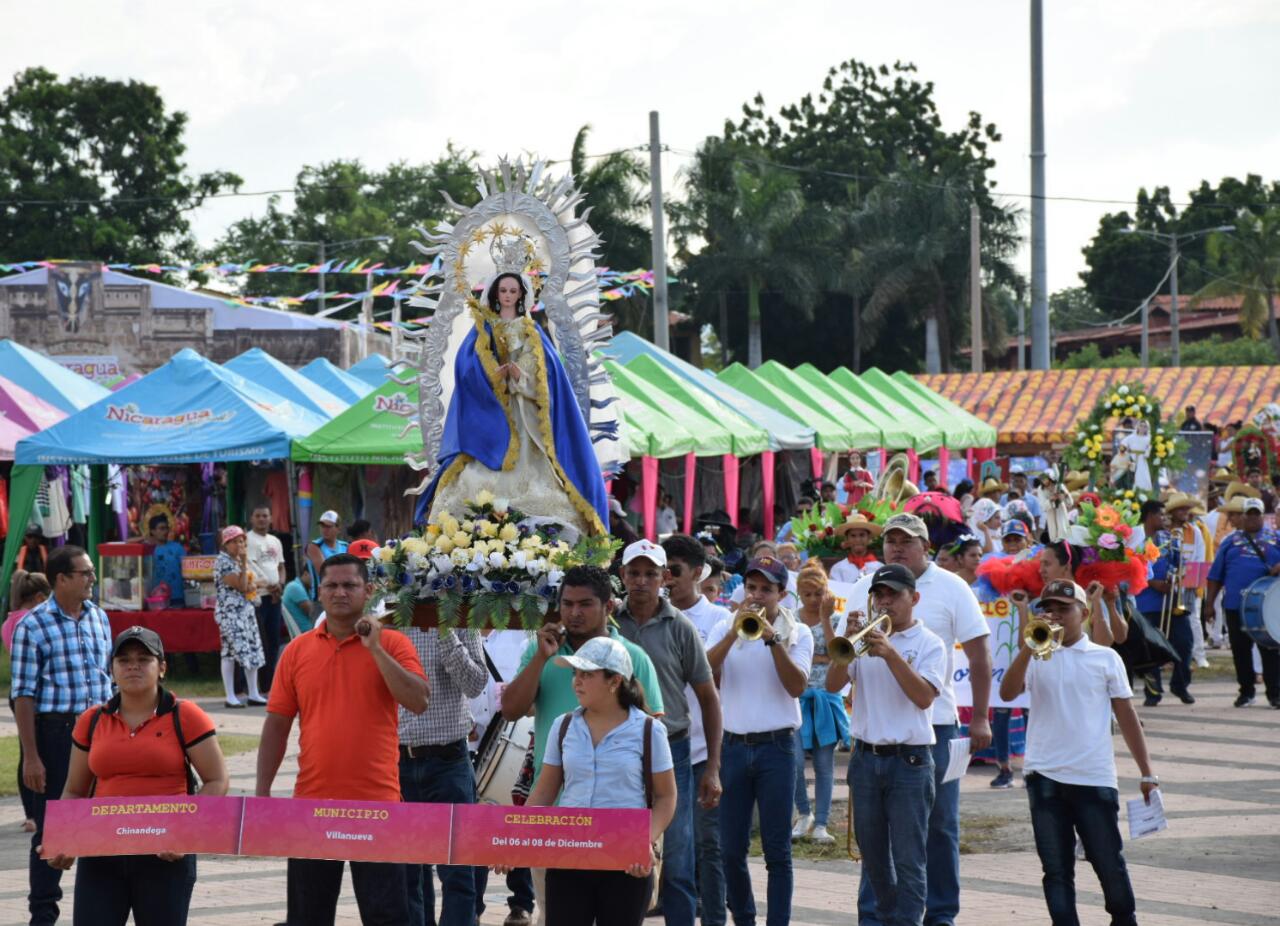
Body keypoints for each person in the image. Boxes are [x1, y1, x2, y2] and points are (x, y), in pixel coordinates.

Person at [257, 552, 429, 925]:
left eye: (349, 585)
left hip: (378, 806)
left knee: (387, 916)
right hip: (312, 807)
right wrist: (262, 792)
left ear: (367, 590)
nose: (339, 593)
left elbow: (418, 701)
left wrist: (376, 649)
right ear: (319, 593)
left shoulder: (394, 643)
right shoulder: (297, 651)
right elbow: (276, 726)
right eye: (331, 585)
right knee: (307, 916)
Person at [843, 513, 991, 926]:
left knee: (938, 827)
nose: (897, 547)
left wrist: (979, 717)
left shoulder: (952, 585)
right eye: (891, 541)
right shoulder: (864, 587)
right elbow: (838, 663)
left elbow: (979, 654)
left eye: (906, 541)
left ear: (925, 546)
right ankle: (876, 916)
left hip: (934, 726)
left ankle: (940, 914)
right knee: (876, 843)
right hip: (876, 731)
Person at [500, 565, 665, 916]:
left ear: (608, 606)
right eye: (567, 603)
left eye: (585, 604)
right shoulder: (542, 654)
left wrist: (645, 836)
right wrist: (543, 658)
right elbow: (511, 710)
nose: (574, 613)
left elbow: (653, 743)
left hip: (625, 826)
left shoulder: (633, 658)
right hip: (558, 825)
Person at [42, 626, 229, 925]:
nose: (133, 666)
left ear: (162, 667)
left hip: (165, 855)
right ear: (112, 669)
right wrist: (64, 838)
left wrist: (185, 831)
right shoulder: (92, 720)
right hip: (101, 854)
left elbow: (217, 780)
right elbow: (75, 790)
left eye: (144, 658)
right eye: (124, 659)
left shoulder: (186, 715)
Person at [999, 580, 1159, 926]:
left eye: (1063, 608)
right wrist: (1028, 646)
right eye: (1048, 608)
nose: (1054, 615)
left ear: (1084, 613)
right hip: (1043, 775)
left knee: (1107, 861)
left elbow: (1127, 717)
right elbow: (1008, 692)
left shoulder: (1105, 657)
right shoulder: (1038, 654)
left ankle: (1124, 918)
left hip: (1093, 776)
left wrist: (1147, 772)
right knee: (1055, 869)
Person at [415, 270, 610, 536]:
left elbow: (545, 371)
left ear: (521, 295)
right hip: (490, 410)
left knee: (539, 478)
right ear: (495, 293)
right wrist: (490, 374)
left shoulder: (530, 330)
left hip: (523, 412)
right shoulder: (482, 328)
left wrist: (519, 373)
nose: (507, 296)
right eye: (503, 291)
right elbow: (467, 367)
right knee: (473, 478)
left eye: (513, 291)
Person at [826, 564, 945, 925]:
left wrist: (891, 654)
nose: (885, 601)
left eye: (894, 594)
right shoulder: (864, 639)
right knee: (874, 858)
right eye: (879, 594)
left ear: (915, 598)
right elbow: (832, 686)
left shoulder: (930, 643)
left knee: (909, 860)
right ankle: (889, 918)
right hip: (865, 759)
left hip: (909, 762)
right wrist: (844, 648)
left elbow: (924, 698)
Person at [615, 539, 721, 926]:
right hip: (619, 749)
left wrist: (712, 766)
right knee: (622, 853)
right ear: (622, 575)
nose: (641, 581)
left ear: (665, 578)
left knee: (678, 857)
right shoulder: (609, 621)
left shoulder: (681, 627)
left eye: (650, 574)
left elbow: (709, 698)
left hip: (671, 750)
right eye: (634, 573)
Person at [705, 555, 814, 926]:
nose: (757, 595)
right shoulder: (726, 624)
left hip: (778, 748)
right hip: (734, 746)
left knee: (777, 850)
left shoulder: (798, 632)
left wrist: (772, 640)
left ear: (781, 594)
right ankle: (746, 920)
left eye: (766, 589)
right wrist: (734, 633)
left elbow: (797, 686)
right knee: (730, 849)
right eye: (751, 587)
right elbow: (704, 673)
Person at [10, 545, 113, 926]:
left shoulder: (99, 618)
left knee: (101, 820)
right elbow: (23, 694)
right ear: (61, 579)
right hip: (56, 734)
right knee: (53, 828)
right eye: (85, 573)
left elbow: (108, 680)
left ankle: (103, 908)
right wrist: (31, 757)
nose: (92, 579)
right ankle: (43, 913)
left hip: (102, 731)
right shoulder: (32, 625)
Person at [399, 612, 488, 926]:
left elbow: (476, 684)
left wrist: (445, 630)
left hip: (449, 760)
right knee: (410, 871)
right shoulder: (389, 616)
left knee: (459, 871)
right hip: (400, 761)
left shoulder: (461, 618)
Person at [661, 535, 731, 926]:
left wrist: (714, 767)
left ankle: (715, 919)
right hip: (660, 750)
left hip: (702, 751)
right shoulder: (650, 616)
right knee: (672, 851)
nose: (667, 579)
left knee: (706, 846)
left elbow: (710, 682)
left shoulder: (719, 618)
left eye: (675, 571)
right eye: (663, 571)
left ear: (698, 573)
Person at [790, 565, 849, 844]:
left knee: (825, 764)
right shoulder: (791, 619)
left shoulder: (837, 619)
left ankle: (822, 822)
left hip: (827, 697)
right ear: (798, 594)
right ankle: (804, 813)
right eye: (807, 594)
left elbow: (838, 652)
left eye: (819, 593)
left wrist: (826, 620)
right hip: (798, 697)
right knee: (795, 760)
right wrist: (820, 659)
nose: (813, 599)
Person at [1205, 497, 1280, 708]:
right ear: (1243, 516)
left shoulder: (1276, 537)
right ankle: (1246, 692)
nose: (1253, 518)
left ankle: (1275, 693)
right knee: (1240, 650)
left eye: (1257, 514)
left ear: (1263, 516)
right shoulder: (1230, 541)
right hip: (1235, 605)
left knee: (1270, 649)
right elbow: (1215, 576)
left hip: (1267, 607)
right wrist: (1209, 604)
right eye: (1249, 514)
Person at [6, 570, 51, 835]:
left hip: (15, 692)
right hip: (32, 694)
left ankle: (30, 814)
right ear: (38, 597)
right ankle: (38, 811)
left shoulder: (9, 622)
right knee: (37, 755)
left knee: (27, 752)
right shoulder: (31, 621)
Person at [213, 526, 266, 708]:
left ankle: (253, 693)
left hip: (245, 611)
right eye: (235, 541)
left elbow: (257, 581)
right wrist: (244, 565)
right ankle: (231, 696)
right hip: (231, 613)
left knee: (252, 650)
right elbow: (242, 586)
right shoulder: (224, 562)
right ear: (226, 544)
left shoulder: (238, 561)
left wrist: (249, 580)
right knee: (234, 652)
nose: (240, 545)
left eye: (242, 541)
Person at [246, 504, 286, 691]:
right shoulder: (248, 540)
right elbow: (251, 568)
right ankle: (261, 685)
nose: (262, 519)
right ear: (252, 518)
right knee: (260, 641)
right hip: (258, 597)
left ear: (271, 518)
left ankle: (272, 683)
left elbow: (281, 567)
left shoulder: (275, 541)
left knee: (274, 640)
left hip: (275, 597)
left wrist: (280, 584)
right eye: (258, 515)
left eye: (265, 515)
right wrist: (268, 584)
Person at [145, 514, 187, 607]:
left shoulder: (177, 548)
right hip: (155, 599)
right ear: (152, 531)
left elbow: (187, 570)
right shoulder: (147, 550)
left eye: (166, 528)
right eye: (161, 528)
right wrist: (145, 538)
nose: (165, 531)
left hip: (177, 597)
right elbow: (127, 542)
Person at [304, 510, 349, 595]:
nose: (325, 529)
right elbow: (324, 572)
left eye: (329, 526)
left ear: (338, 528)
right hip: (321, 598)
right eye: (322, 526)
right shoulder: (314, 546)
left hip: (342, 595)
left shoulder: (345, 546)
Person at [829, 514, 881, 584]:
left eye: (862, 535)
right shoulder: (838, 569)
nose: (858, 539)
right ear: (847, 539)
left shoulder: (879, 568)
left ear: (869, 538)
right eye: (853, 536)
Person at [280, 568, 314, 638]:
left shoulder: (306, 588)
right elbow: (312, 613)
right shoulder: (295, 587)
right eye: (315, 576)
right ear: (305, 574)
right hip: (306, 632)